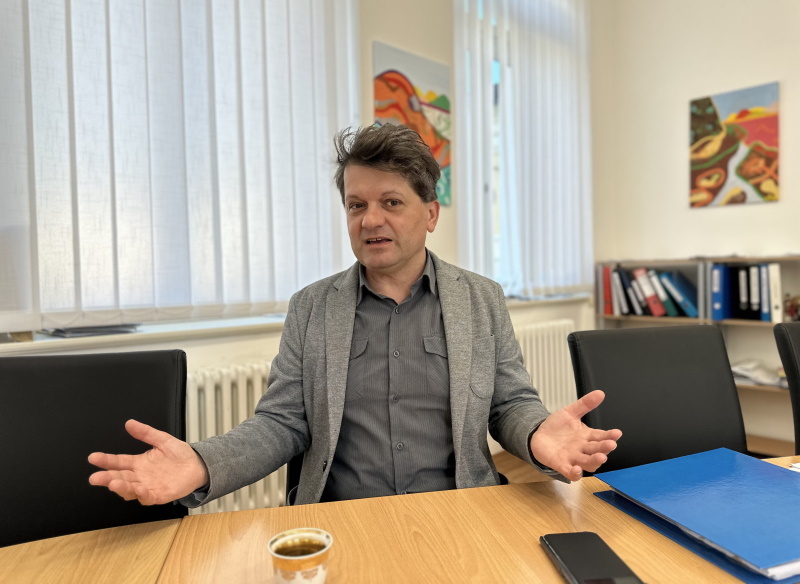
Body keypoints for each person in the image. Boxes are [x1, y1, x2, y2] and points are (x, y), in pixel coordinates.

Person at [88, 124, 621, 507]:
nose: (370, 220)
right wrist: (203, 462)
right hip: (342, 518)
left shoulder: (481, 299)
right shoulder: (311, 307)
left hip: (459, 509)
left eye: (391, 202)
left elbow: (508, 404)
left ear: (430, 213)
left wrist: (536, 435)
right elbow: (281, 423)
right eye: (356, 204)